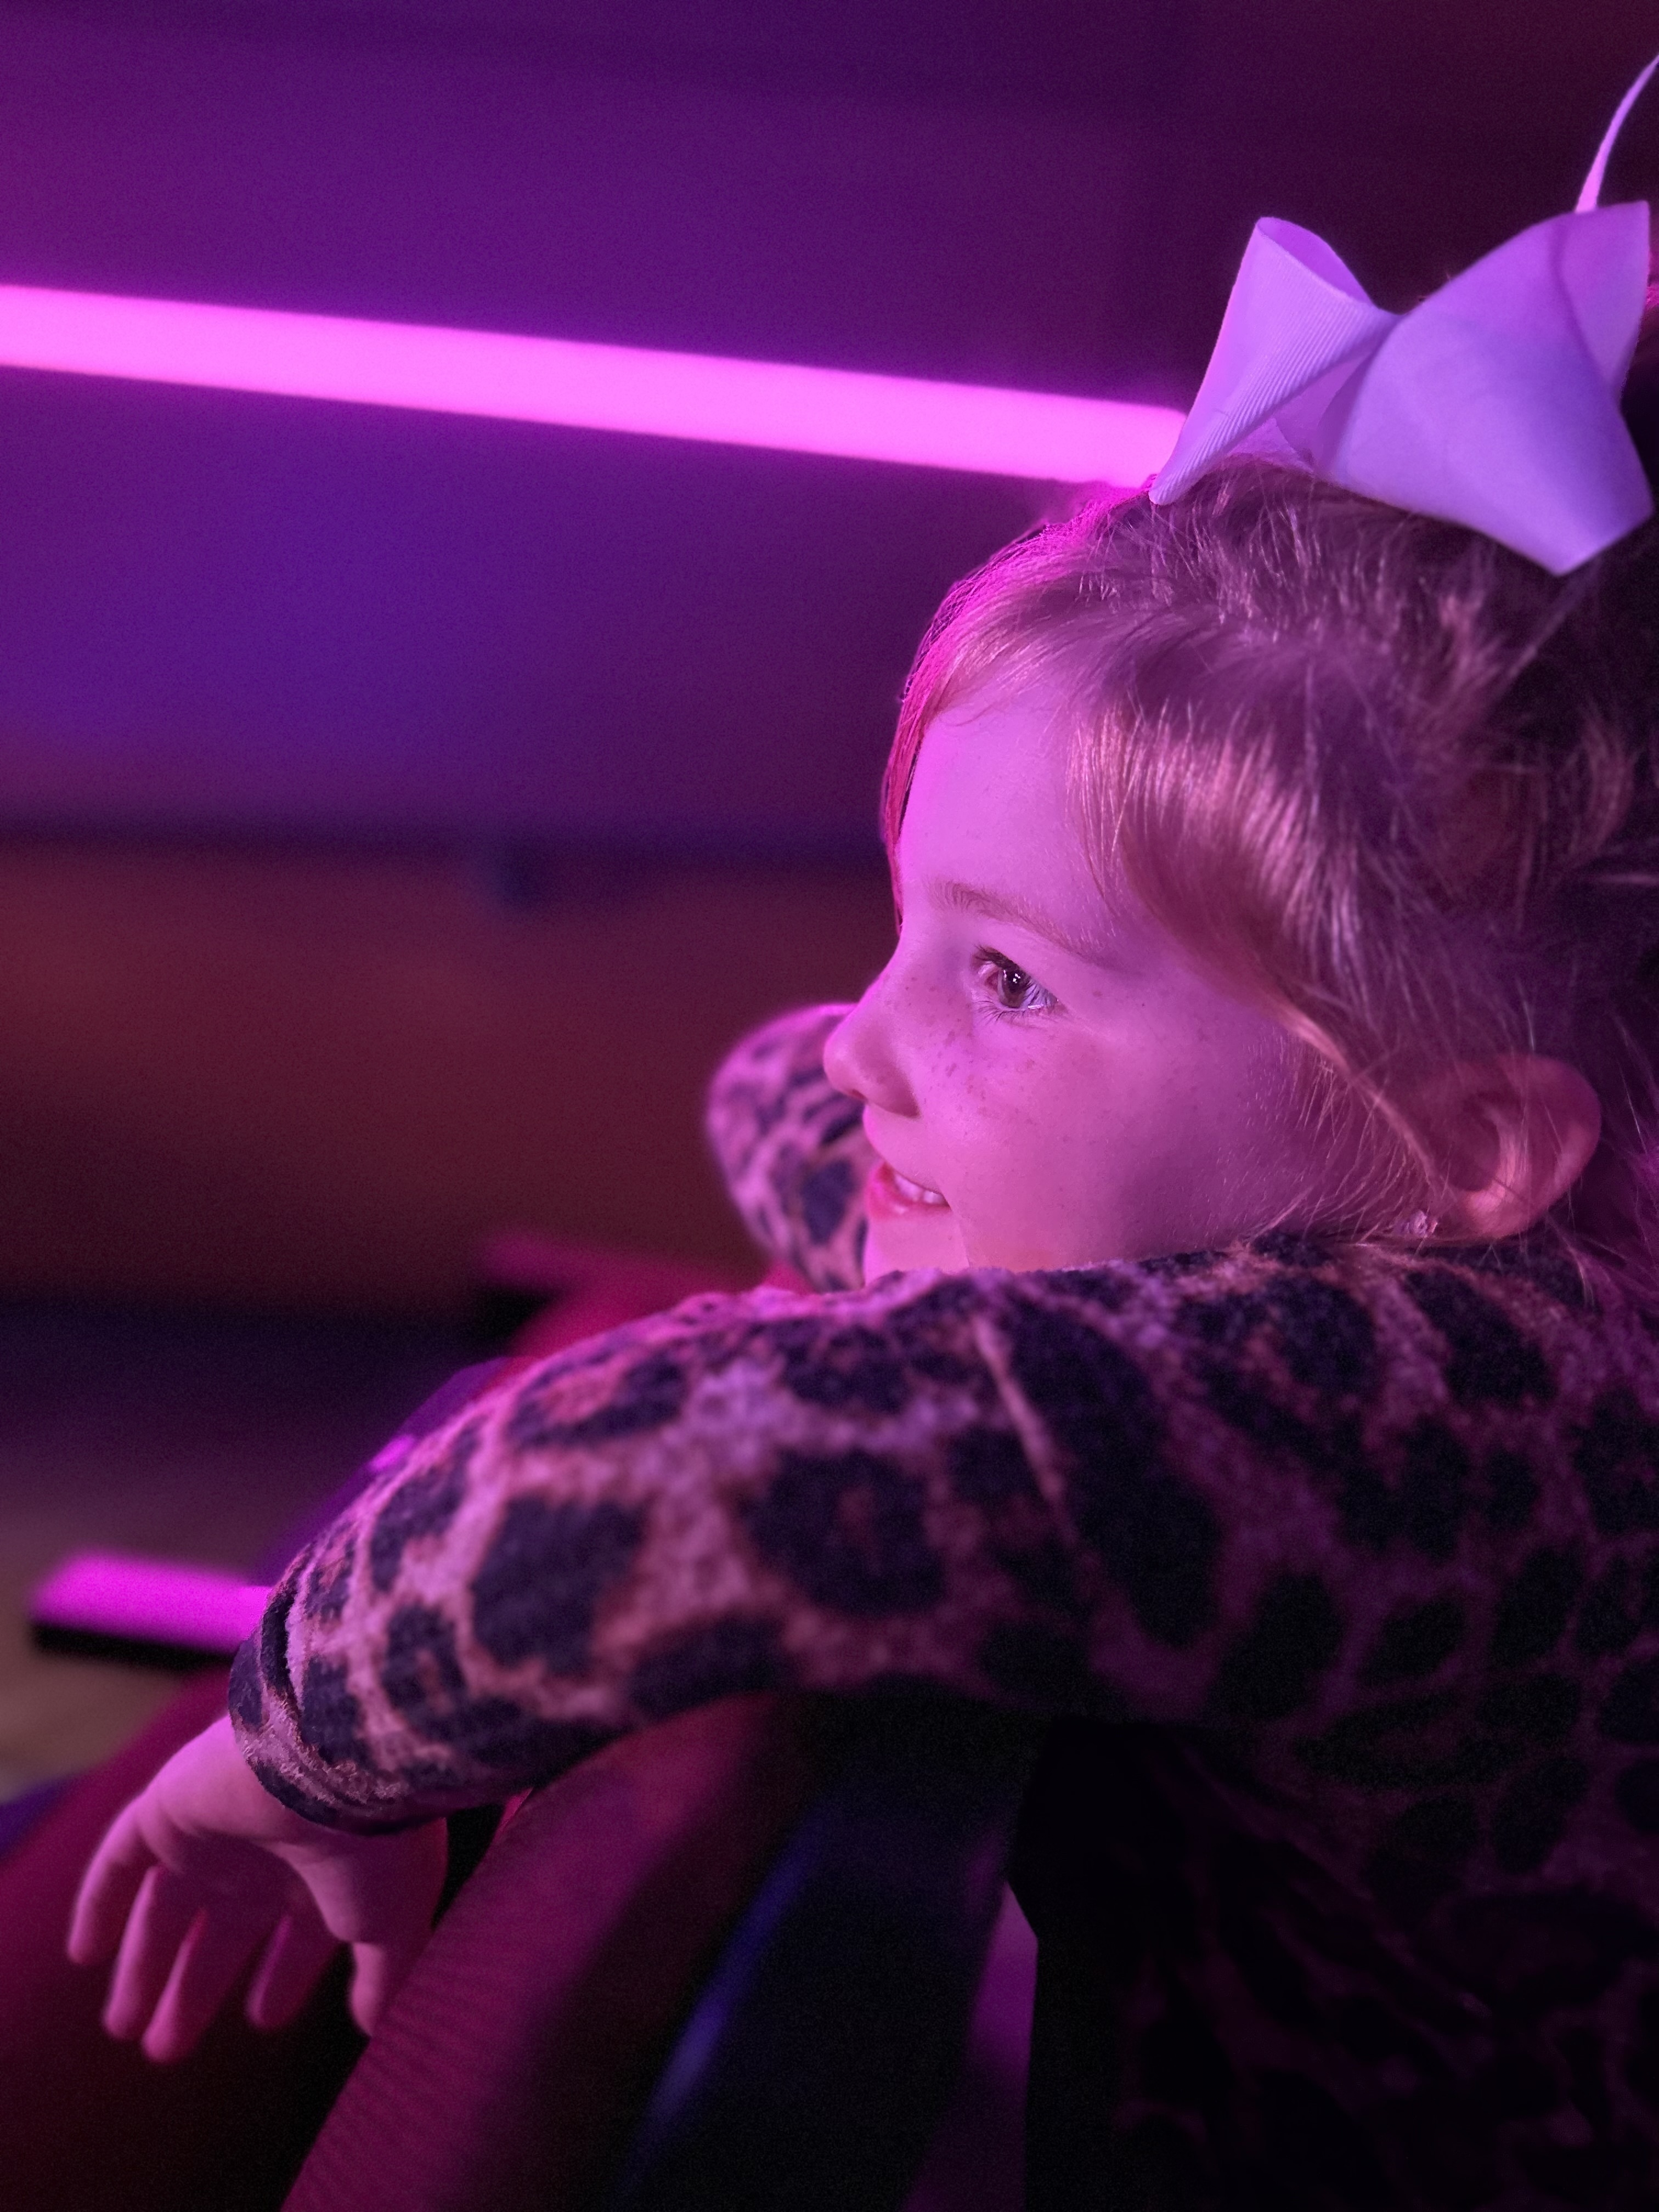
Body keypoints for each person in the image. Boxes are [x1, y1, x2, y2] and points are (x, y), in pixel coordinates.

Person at [67, 79, 1659, 2208]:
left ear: (1466, 1147)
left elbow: (642, 1487)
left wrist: (288, 1745)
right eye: (911, 924)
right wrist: (945, 1139)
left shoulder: (1463, 1413)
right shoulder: (1385, 1274)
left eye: (1006, 977)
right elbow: (786, 1084)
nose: (868, 1040)